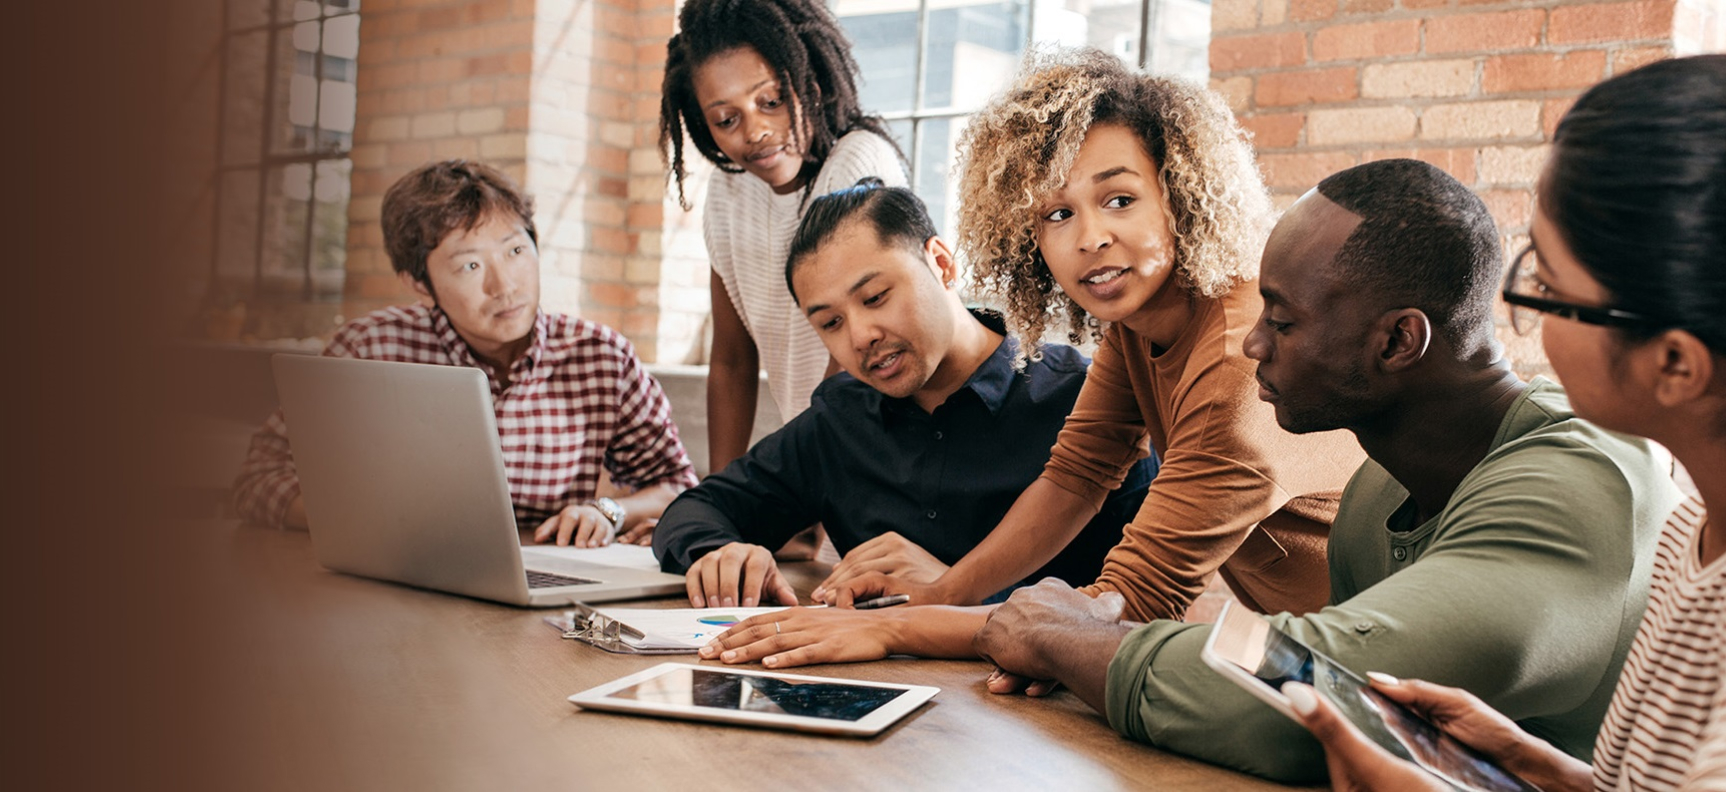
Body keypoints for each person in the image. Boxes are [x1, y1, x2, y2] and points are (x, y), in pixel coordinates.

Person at [969, 157, 1682, 783]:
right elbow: (1293, 659)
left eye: (1281, 320)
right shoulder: (1377, 493)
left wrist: (1061, 636)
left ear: (1398, 340)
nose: (1252, 342)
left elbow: (1315, 702)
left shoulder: (1582, 479)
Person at [697, 48, 1362, 669]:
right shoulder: (1137, 323)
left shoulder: (1236, 360)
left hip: (1382, 661)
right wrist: (935, 601)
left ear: (1179, 192)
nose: (1090, 238)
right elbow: (1076, 474)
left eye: (1119, 199)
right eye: (1055, 214)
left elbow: (1129, 604)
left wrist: (894, 626)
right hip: (1322, 644)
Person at [1284, 56, 1726, 792]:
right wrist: (1536, 770)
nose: (1529, 320)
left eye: (1549, 287)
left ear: (1675, 364)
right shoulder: (1696, 536)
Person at [652, 178, 1154, 609]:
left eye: (875, 298)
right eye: (830, 322)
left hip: (1040, 715)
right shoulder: (840, 420)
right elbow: (695, 511)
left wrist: (951, 590)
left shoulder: (1089, 405)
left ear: (941, 263)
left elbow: (1132, 612)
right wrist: (724, 553)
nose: (860, 335)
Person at [232, 160, 698, 546]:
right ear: (420, 284)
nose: (505, 285)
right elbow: (260, 479)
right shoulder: (368, 349)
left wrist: (608, 510)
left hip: (545, 573)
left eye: (516, 250)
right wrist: (367, 525)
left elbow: (678, 488)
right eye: (471, 265)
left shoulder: (601, 358)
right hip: (398, 573)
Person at [658, 0, 909, 474]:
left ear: (809, 84)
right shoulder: (729, 193)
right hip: (818, 460)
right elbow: (732, 360)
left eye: (770, 101)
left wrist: (802, 492)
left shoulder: (857, 164)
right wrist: (723, 502)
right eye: (726, 119)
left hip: (881, 457)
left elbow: (856, 359)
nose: (755, 131)